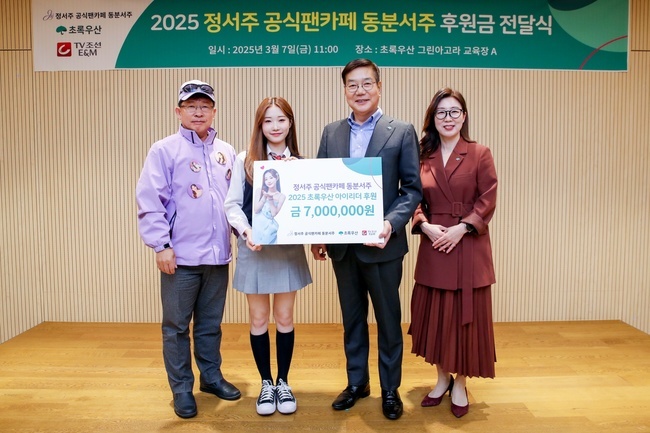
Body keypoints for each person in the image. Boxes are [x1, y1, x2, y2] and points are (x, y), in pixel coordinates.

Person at [310, 59, 422, 420]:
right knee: (352, 318)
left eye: (366, 83)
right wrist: (318, 234)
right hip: (343, 247)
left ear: (379, 86)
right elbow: (321, 187)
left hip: (383, 246)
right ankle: (357, 383)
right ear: (345, 90)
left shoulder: (401, 131)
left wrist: (390, 223)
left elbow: (412, 190)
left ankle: (390, 388)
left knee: (388, 321)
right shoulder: (331, 132)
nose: (360, 91)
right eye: (352, 85)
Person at [136, 80, 241, 419]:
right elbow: (150, 201)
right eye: (191, 106)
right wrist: (161, 245)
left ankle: (211, 377)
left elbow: (236, 202)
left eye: (204, 106)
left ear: (214, 111)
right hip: (179, 258)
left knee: (210, 324)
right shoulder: (163, 150)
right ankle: (182, 388)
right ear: (178, 111)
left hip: (217, 257)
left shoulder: (226, 151)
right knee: (176, 327)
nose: (198, 112)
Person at [409, 87, 498, 418]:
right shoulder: (422, 156)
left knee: (464, 319)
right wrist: (424, 225)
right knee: (437, 316)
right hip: (434, 242)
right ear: (432, 118)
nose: (448, 118)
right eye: (441, 112)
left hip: (468, 244)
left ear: (464, 116)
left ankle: (460, 382)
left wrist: (463, 228)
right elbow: (411, 196)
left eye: (454, 112)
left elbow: (487, 199)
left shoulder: (479, 153)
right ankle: (442, 377)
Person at [224, 96, 312, 416]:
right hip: (255, 248)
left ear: (290, 123)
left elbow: (310, 211)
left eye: (281, 119)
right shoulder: (245, 160)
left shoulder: (301, 164)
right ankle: (266, 384)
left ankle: (283, 382)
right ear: (259, 125)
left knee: (285, 318)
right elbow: (232, 205)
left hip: (287, 251)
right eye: (268, 120)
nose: (275, 126)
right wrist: (247, 231)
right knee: (259, 319)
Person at [252, 168, 285, 244]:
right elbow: (256, 210)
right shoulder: (259, 190)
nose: (269, 181)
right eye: (266, 179)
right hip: (258, 224)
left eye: (271, 178)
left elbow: (273, 214)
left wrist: (270, 199)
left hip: (269, 227)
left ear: (277, 178)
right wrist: (264, 197)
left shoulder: (281, 196)